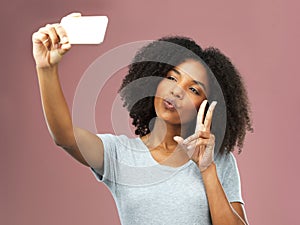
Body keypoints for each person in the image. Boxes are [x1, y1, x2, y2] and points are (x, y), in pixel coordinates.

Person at [32, 13, 253, 225]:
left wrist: (207, 169)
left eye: (194, 89)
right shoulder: (121, 154)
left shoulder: (217, 160)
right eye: (171, 78)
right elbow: (65, 137)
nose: (177, 91)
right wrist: (46, 68)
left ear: (207, 105)